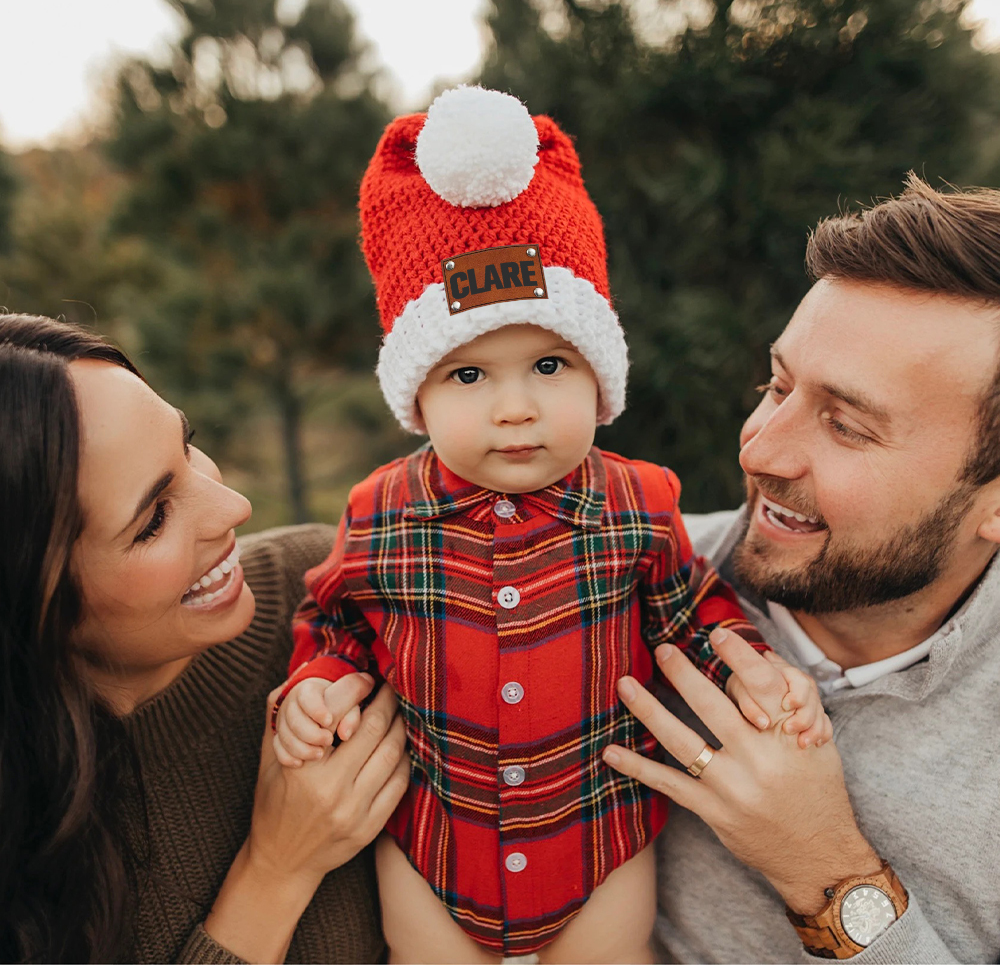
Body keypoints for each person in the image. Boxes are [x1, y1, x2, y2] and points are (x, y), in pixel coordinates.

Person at [271, 86, 830, 964]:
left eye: (547, 365)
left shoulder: (638, 502)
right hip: (437, 837)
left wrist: (754, 670)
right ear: (416, 394)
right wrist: (317, 685)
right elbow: (339, 623)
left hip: (597, 829)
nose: (515, 407)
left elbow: (692, 616)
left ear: (597, 374)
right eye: (468, 376)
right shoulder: (380, 512)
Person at [603, 175, 1000, 963]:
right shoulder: (614, 581)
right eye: (776, 386)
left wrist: (825, 868)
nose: (760, 450)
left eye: (847, 426)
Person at [0, 313, 409, 963]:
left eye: (187, 447)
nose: (234, 507)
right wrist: (275, 871)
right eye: (153, 519)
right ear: (32, 603)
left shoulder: (333, 591)